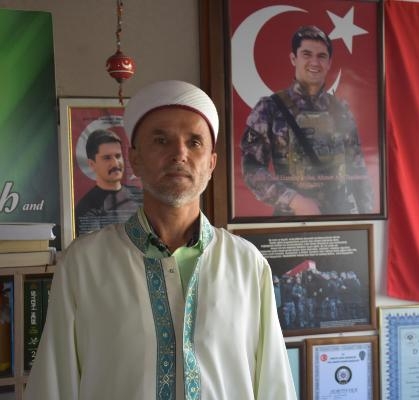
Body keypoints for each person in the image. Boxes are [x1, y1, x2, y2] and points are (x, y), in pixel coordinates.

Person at [25, 80, 296, 400]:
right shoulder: (84, 263)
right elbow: (54, 384)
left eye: (194, 142)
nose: (179, 153)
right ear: (135, 160)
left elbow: (273, 385)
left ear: (211, 163)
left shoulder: (246, 263)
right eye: (161, 140)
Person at [241, 25, 373, 216]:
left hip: (338, 218)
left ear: (329, 63)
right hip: (292, 219)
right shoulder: (270, 108)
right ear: (293, 58)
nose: (314, 62)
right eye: (306, 54)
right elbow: (252, 169)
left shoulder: (340, 110)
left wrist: (365, 217)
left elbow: (357, 169)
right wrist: (294, 200)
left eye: (321, 56)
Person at [74, 128, 142, 235]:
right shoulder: (87, 207)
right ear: (92, 164)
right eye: (107, 158)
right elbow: (95, 244)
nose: (115, 163)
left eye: (118, 156)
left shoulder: (140, 196)